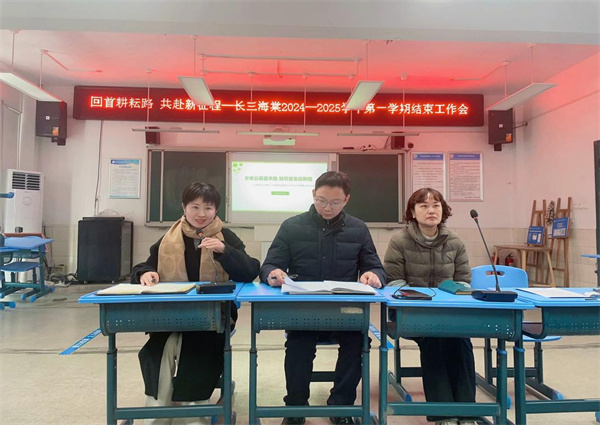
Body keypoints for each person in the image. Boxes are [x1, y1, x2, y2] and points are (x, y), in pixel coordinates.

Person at [260, 171, 385, 425]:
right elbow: (269, 265)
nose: (327, 208)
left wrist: (373, 275)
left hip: (344, 311)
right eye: (321, 200)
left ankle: (341, 407)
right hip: (304, 310)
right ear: (313, 195)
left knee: (358, 344)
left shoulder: (358, 229)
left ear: (346, 199)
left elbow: (376, 267)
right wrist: (273, 274)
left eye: (335, 202)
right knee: (298, 346)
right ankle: (295, 408)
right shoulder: (292, 226)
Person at [131, 182, 260, 425]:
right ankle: (157, 412)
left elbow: (250, 271)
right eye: (195, 207)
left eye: (208, 208)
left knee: (199, 350)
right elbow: (145, 265)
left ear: (216, 210)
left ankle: (192, 416)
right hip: (170, 316)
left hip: (212, 318)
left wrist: (224, 251)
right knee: (157, 350)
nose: (201, 214)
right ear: (184, 207)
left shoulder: (226, 236)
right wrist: (145, 273)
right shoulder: (169, 237)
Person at [383, 187, 476, 425]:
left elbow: (464, 282)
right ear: (412, 212)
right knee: (433, 338)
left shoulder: (455, 242)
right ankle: (443, 414)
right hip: (411, 313)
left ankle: (468, 412)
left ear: (443, 210)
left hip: (450, 313)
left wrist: (452, 297)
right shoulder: (399, 241)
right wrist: (419, 301)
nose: (431, 210)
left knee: (461, 340)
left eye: (436, 205)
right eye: (423, 206)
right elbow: (393, 281)